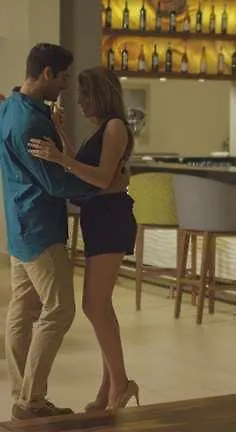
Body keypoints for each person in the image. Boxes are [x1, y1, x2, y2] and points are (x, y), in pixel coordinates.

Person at [0, 44, 103, 420]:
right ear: (47, 73)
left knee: (22, 310)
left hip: (18, 226)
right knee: (59, 309)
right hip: (40, 229)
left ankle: (24, 397)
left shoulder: (10, 107)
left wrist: (57, 129)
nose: (66, 86)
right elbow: (56, 184)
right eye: (63, 77)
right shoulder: (30, 122)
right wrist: (102, 185)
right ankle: (31, 400)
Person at [28, 66, 139, 411]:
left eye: (85, 96)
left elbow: (102, 178)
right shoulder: (104, 129)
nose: (80, 103)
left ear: (101, 95)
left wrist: (60, 158)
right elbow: (86, 169)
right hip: (100, 218)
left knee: (94, 304)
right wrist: (63, 137)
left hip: (110, 219)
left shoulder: (115, 126)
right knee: (101, 305)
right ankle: (110, 386)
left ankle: (120, 384)